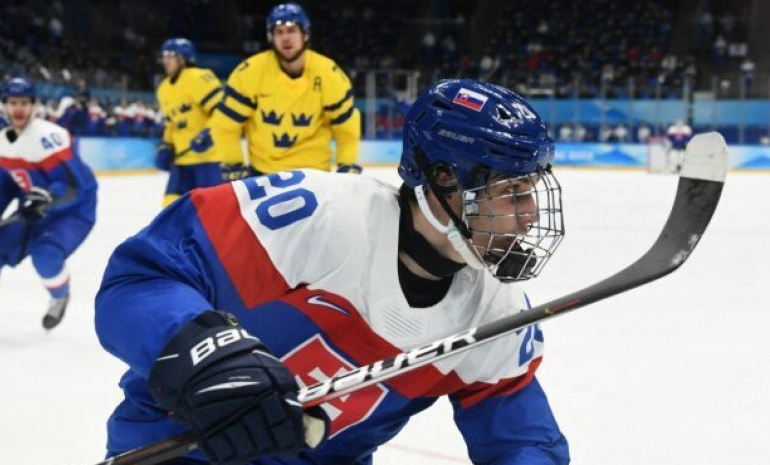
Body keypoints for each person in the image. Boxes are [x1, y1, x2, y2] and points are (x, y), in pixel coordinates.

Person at [95, 80, 569, 464]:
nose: (529, 216)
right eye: (513, 193)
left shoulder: (493, 314)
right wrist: (206, 356)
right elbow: (144, 277)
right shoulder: (317, 214)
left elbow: (521, 441)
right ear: (445, 177)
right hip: (183, 448)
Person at [190, 2, 362, 178]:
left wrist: (347, 164)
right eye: (279, 32)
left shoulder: (329, 74)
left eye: (291, 30)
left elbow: (346, 130)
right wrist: (233, 164)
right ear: (271, 37)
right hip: (263, 175)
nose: (285, 38)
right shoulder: (250, 72)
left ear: (306, 35)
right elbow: (226, 126)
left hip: (314, 177)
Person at [0, 77, 97, 329]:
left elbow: (73, 186)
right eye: (13, 102)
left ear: (34, 106)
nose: (18, 108)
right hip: (34, 209)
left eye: (24, 103)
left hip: (73, 210)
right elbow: (4, 188)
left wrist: (47, 198)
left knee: (45, 254)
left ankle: (59, 297)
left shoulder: (51, 137)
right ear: (4, 105)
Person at [156, 38, 225, 207]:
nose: (165, 60)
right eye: (164, 56)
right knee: (170, 211)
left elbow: (223, 111)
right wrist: (166, 145)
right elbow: (171, 123)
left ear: (183, 59)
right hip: (182, 163)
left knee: (212, 214)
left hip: (209, 161)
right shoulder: (163, 88)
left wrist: (209, 133)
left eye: (170, 56)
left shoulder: (199, 78)